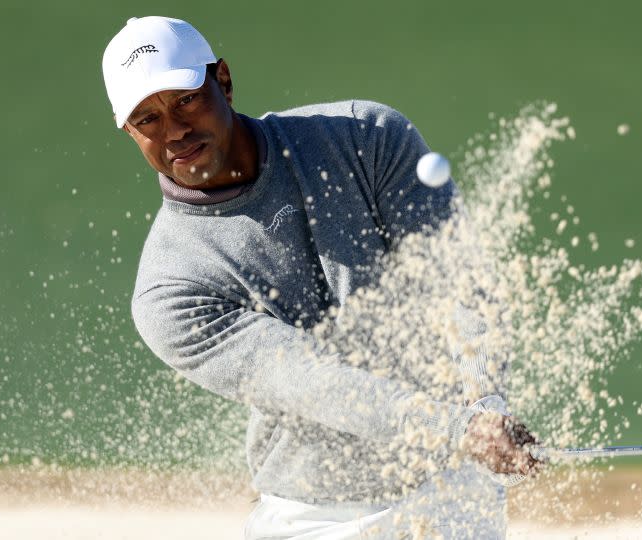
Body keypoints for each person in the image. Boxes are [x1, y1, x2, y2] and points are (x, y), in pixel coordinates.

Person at [101, 16, 539, 539]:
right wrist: (459, 429)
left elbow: (460, 280)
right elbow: (310, 380)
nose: (173, 130)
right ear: (127, 131)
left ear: (223, 80)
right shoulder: (169, 289)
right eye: (146, 119)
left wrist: (486, 404)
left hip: (450, 489)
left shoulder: (364, 137)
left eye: (185, 99)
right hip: (316, 518)